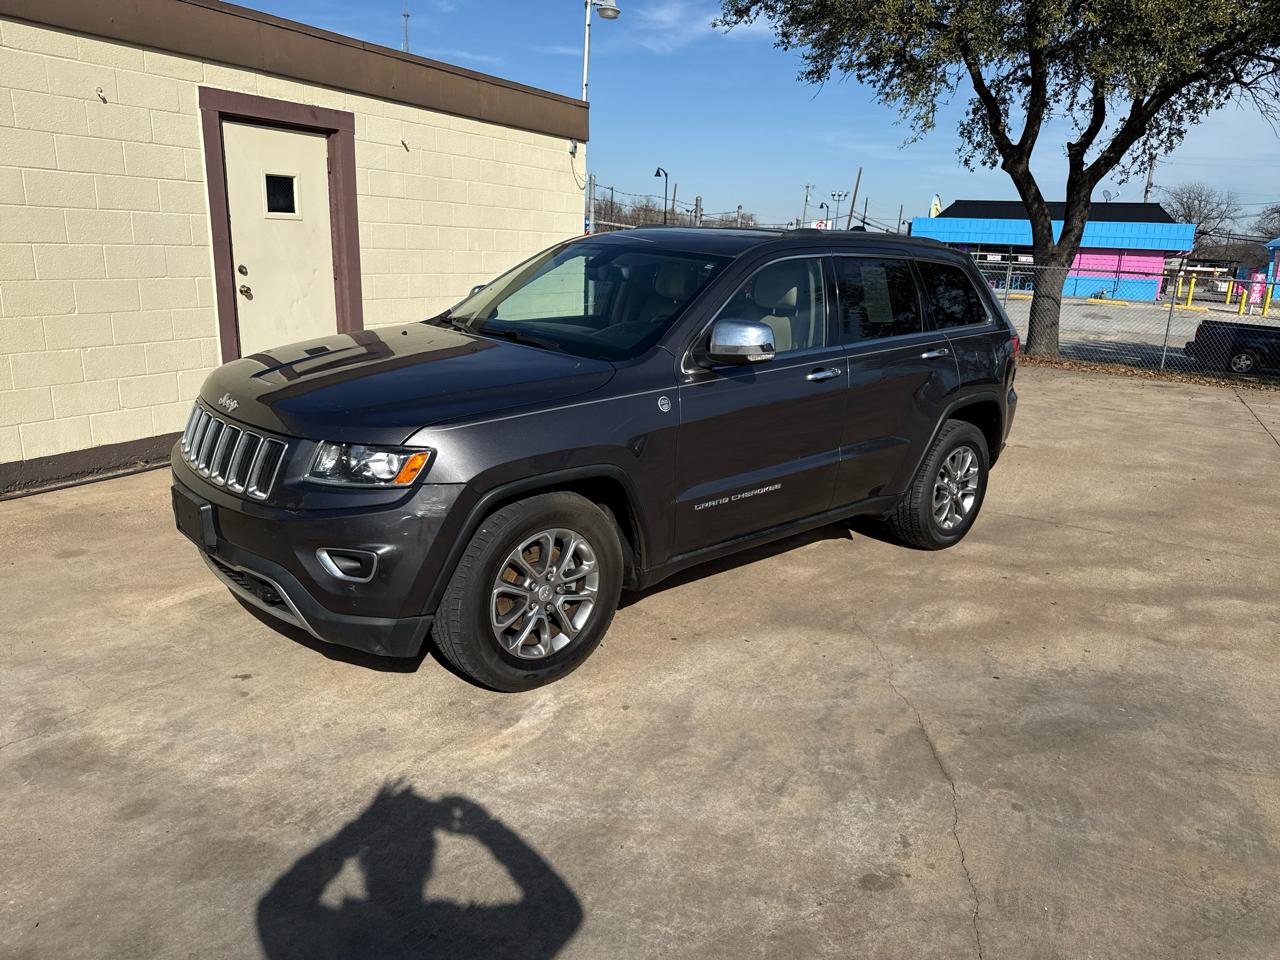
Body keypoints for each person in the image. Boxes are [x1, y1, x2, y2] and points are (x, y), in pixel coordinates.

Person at [257, 782, 582, 960]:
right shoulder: (455, 936)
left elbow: (277, 906)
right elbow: (561, 913)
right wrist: (489, 830)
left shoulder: (334, 943)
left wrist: (356, 832)